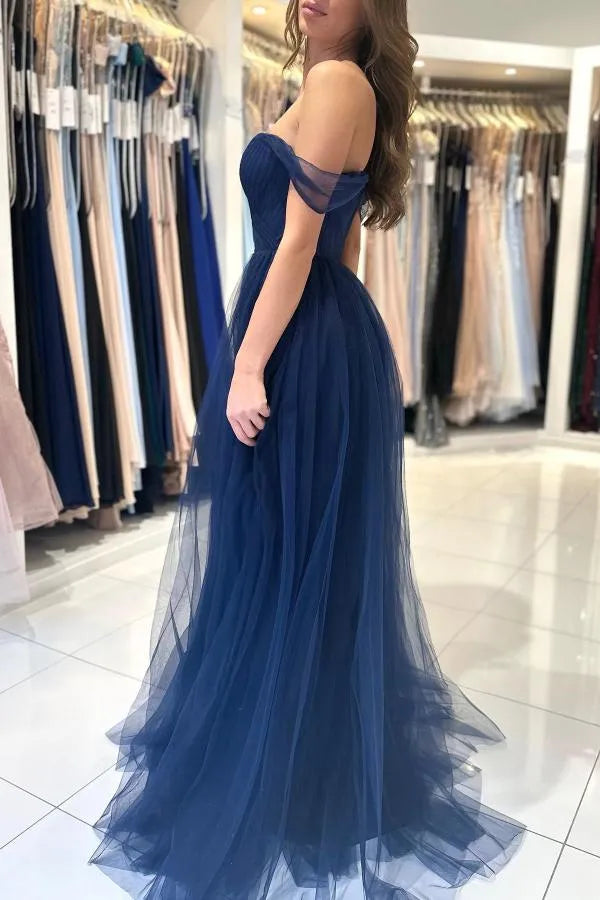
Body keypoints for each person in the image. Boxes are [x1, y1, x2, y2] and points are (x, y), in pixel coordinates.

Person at [92, 1, 524, 897]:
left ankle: (287, 776)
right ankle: (292, 767)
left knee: (284, 557)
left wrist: (252, 365)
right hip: (310, 336)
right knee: (286, 558)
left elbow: (297, 242)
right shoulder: (327, 84)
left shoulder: (335, 81)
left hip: (295, 341)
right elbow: (340, 244)